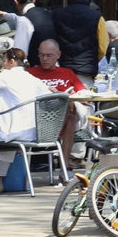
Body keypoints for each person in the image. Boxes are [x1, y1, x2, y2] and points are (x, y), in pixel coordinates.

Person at [0, 47, 53, 194]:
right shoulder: (33, 79)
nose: (2, 65)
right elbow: (49, 94)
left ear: (12, 61)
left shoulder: (6, 76)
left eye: (4, 61)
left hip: (13, 132)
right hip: (32, 132)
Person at [27, 39, 87, 167]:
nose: (44, 58)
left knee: (71, 117)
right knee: (69, 114)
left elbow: (84, 95)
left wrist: (71, 96)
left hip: (62, 121)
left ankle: (64, 166)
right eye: (41, 55)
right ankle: (65, 167)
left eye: (49, 55)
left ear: (58, 55)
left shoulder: (67, 73)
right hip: (36, 120)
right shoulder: (30, 74)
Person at [53, 0, 108, 88]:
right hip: (86, 74)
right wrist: (91, 60)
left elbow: (53, 42)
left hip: (63, 72)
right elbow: (102, 48)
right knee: (85, 103)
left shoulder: (57, 15)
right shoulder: (97, 17)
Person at [0, 0, 55, 67]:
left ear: (16, 2)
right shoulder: (47, 13)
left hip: (36, 70)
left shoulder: (24, 20)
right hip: (54, 67)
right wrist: (3, 14)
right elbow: (17, 18)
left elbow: (19, 53)